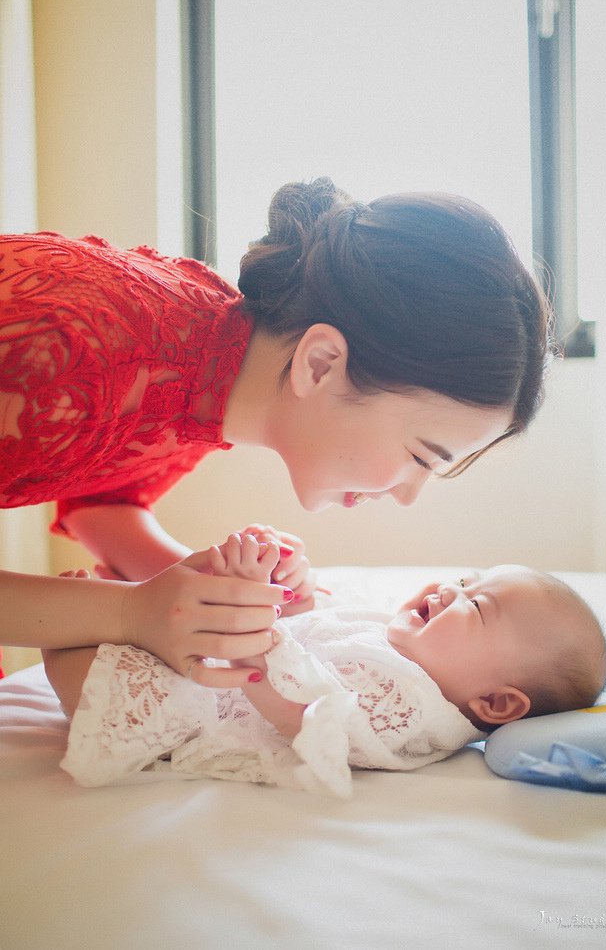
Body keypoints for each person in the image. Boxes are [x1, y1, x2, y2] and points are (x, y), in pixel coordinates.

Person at [0, 177, 552, 683]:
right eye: (421, 456)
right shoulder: (71, 349)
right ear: (320, 364)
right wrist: (127, 611)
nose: (407, 495)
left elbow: (98, 496)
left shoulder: (213, 370)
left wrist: (220, 596)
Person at [45, 531, 606, 797]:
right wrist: (294, 589)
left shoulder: (413, 712)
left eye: (478, 604)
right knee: (158, 610)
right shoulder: (408, 649)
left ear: (496, 703)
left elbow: (303, 713)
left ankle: (59, 645)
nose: (450, 588)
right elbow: (323, 629)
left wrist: (250, 643)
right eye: (467, 578)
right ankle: (81, 619)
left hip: (191, 710)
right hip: (204, 661)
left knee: (105, 678)